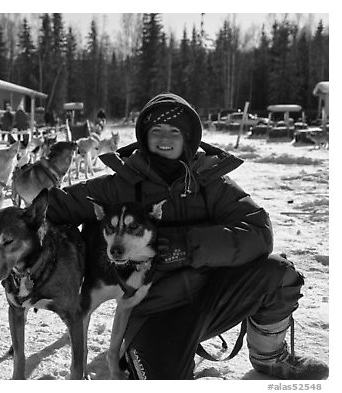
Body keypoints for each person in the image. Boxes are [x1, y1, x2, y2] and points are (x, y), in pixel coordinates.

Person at [46, 92, 328, 380]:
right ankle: (145, 353)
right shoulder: (121, 184)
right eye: (156, 130)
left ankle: (269, 356)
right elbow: (52, 209)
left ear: (189, 137)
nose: (164, 137)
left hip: (209, 298)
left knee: (278, 272)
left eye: (174, 130)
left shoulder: (210, 181)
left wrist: (190, 244)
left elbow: (258, 231)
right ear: (144, 136)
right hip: (150, 312)